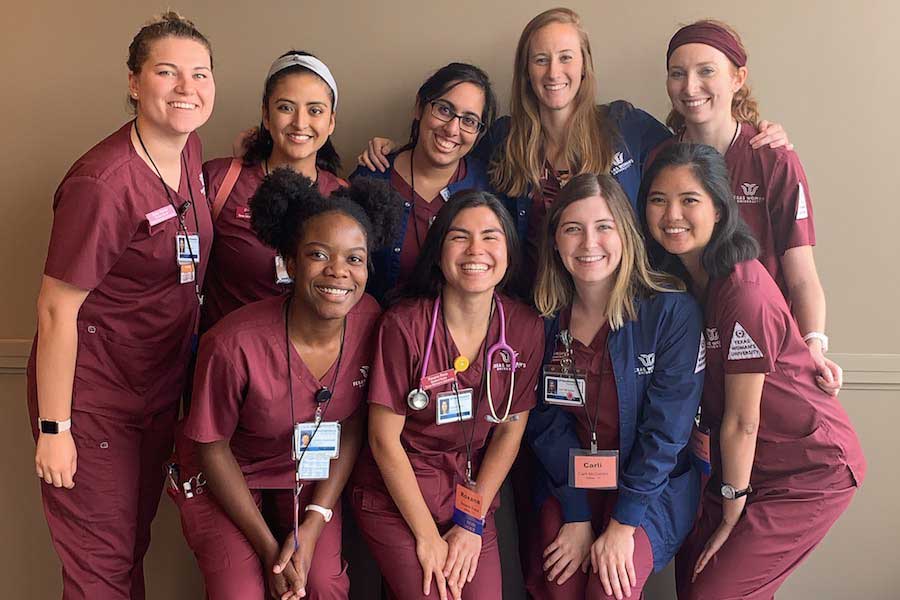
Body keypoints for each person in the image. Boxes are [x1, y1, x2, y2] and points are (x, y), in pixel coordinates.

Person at [357, 8, 790, 290]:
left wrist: (751, 127)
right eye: (540, 59)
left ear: (584, 66)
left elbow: (692, 157)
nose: (553, 72)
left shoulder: (627, 126)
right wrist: (399, 147)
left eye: (566, 57)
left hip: (627, 311)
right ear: (526, 72)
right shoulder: (503, 139)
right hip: (531, 313)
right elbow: (449, 149)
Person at [25, 12, 214, 599]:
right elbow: (57, 310)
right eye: (167, 72)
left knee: (128, 550)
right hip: (93, 404)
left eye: (201, 73)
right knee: (99, 570)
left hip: (154, 393)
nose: (188, 88)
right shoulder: (102, 184)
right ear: (134, 82)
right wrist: (55, 428)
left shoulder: (188, 152)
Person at [639, 143, 865, 600]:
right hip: (746, 465)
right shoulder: (681, 284)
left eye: (689, 200)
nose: (671, 214)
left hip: (807, 470)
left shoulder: (743, 290)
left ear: (720, 210)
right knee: (694, 582)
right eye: (658, 199)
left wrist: (729, 509)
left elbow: (744, 421)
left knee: (715, 594)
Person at [174, 170, 401, 599]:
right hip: (228, 476)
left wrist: (314, 522)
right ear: (291, 263)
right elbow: (211, 446)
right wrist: (269, 550)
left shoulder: (371, 320)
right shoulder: (232, 344)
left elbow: (352, 423)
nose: (338, 272)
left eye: (354, 259)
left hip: (305, 476)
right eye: (319, 255)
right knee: (240, 592)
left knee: (324, 584)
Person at [349, 191, 544, 599]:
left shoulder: (525, 328)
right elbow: (383, 441)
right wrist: (427, 537)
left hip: (466, 491)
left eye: (491, 236)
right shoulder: (404, 326)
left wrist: (470, 524)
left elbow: (509, 432)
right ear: (438, 252)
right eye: (460, 237)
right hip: (396, 495)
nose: (476, 250)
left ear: (509, 251)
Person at [523, 173, 704, 600]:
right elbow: (544, 421)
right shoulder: (544, 318)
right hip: (572, 480)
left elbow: (666, 433)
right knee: (559, 584)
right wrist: (576, 511)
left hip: (649, 489)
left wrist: (623, 525)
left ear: (626, 232)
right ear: (554, 241)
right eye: (573, 229)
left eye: (604, 227)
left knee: (610, 589)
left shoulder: (671, 313)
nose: (589, 243)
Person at [656, 19, 841, 394]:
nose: (690, 87)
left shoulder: (773, 160)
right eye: (678, 74)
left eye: (706, 71)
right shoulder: (660, 159)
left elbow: (802, 275)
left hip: (762, 352)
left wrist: (813, 345)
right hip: (682, 351)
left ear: (738, 78)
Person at [201, 50, 348, 331]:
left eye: (315, 110)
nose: (300, 123)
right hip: (227, 359)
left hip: (309, 361)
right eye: (285, 107)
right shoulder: (220, 181)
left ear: (331, 122)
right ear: (266, 116)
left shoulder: (342, 196)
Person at [349, 62, 498, 302]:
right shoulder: (373, 176)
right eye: (444, 109)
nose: (452, 128)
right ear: (419, 107)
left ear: (479, 133)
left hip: (455, 335)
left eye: (469, 120)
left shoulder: (487, 188)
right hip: (376, 330)